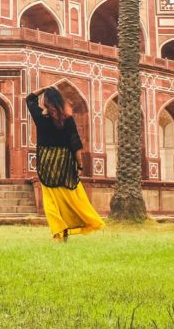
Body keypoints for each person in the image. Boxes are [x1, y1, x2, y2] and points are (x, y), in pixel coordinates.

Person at [26, 85, 104, 242]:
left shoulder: (40, 118)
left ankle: (58, 232)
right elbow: (75, 143)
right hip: (65, 163)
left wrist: (43, 89)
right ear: (60, 102)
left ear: (46, 102)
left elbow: (29, 99)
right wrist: (80, 165)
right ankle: (85, 221)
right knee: (71, 198)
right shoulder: (68, 120)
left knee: (51, 200)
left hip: (47, 163)